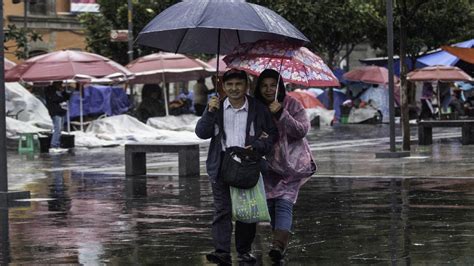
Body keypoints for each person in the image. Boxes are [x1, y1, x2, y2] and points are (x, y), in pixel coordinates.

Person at [195, 69, 277, 265]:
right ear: (223, 87)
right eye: (229, 85)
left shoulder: (258, 108)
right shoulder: (217, 107)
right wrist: (209, 111)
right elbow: (201, 133)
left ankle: (244, 251)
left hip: (248, 164)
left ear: (246, 86)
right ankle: (222, 251)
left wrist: (257, 146)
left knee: (246, 211)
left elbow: (272, 135)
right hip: (222, 163)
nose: (234, 89)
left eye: (238, 84)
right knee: (222, 210)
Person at [254, 69, 316, 263]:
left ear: (280, 85)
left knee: (284, 204)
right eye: (264, 85)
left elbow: (301, 130)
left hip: (292, 166)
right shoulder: (255, 107)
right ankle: (278, 245)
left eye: (273, 85)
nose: (268, 89)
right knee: (271, 205)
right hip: (268, 166)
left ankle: (278, 245)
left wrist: (281, 112)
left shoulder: (292, 104)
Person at [44, 81, 71, 152]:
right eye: (60, 84)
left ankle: (57, 144)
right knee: (57, 128)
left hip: (61, 111)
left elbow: (67, 98)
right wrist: (62, 98)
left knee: (59, 129)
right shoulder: (50, 90)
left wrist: (64, 92)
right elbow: (55, 99)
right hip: (55, 112)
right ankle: (54, 145)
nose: (61, 85)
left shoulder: (60, 91)